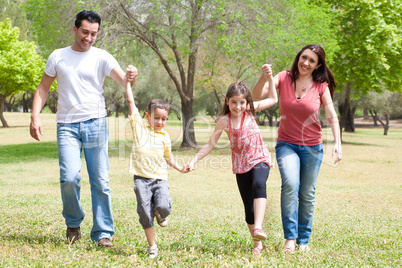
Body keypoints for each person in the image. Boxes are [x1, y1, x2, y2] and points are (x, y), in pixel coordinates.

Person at [29, 10, 137, 247]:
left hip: (96, 123)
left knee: (100, 179)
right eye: (85, 32)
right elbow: (42, 89)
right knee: (69, 177)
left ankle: (103, 233)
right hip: (66, 125)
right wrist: (35, 116)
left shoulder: (102, 57)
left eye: (94, 33)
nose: (89, 37)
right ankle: (73, 222)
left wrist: (131, 75)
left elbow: (124, 81)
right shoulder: (58, 56)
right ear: (75, 29)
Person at [252, 44, 342, 253]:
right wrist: (263, 76)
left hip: (313, 147)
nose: (306, 63)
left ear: (318, 65)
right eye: (304, 57)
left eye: (312, 60)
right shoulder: (284, 77)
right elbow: (257, 96)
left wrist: (337, 142)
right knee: (291, 185)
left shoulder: (321, 85)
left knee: (307, 193)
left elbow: (331, 116)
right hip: (287, 144)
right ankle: (290, 239)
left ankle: (304, 239)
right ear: (298, 57)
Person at [187, 66, 278, 255]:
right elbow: (210, 144)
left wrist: (268, 78)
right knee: (248, 208)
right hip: (240, 166)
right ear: (227, 101)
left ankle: (259, 228)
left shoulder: (251, 111)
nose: (238, 106)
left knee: (259, 185)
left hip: (259, 158)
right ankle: (257, 242)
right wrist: (194, 160)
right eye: (234, 102)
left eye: (242, 102)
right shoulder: (224, 121)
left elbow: (273, 99)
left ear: (247, 103)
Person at [125, 80, 189, 258]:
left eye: (164, 119)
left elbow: (168, 158)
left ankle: (160, 213)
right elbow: (131, 103)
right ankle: (152, 245)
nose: (160, 122)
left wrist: (180, 168)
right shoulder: (139, 127)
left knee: (163, 206)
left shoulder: (165, 136)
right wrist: (128, 84)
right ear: (147, 116)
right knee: (144, 212)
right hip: (141, 179)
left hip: (159, 179)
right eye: (157, 117)